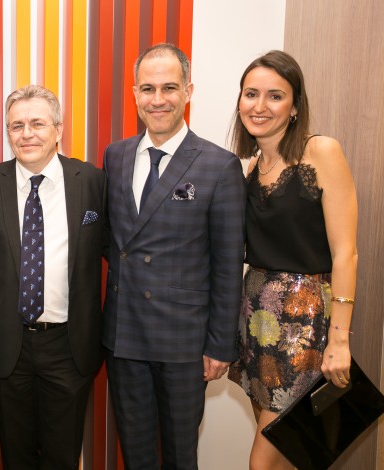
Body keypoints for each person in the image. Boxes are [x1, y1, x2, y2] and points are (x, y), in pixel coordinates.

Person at [102, 43, 246, 469]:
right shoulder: (116, 155)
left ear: (188, 91)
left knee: (181, 456)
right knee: (136, 455)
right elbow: (111, 237)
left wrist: (220, 344)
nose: (158, 99)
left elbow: (227, 264)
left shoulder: (219, 166)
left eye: (169, 88)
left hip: (184, 342)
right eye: (148, 89)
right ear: (135, 93)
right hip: (124, 335)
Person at [227, 50, 358, 469]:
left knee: (263, 462)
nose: (260, 106)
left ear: (295, 106)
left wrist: (339, 339)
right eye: (251, 94)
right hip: (255, 318)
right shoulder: (249, 168)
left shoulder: (321, 152)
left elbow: (346, 252)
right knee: (292, 452)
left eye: (275, 96)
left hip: (303, 322)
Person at [0, 85, 106, 469]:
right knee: (16, 457)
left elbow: (116, 250)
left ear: (58, 129)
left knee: (63, 457)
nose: (26, 134)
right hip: (7, 345)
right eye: (16, 126)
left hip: (69, 345)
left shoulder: (92, 181)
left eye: (37, 124)